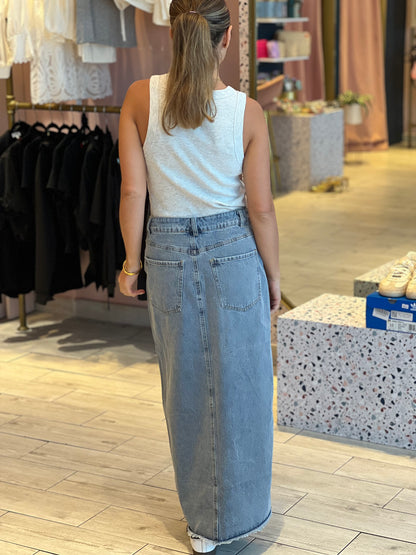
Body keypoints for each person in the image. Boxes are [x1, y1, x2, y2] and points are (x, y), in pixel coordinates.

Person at [118, 0, 281, 551]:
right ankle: (240, 515)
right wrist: (274, 276)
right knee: (246, 385)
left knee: (184, 386)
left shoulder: (141, 98)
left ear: (172, 31)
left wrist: (129, 265)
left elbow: (133, 193)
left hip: (165, 254)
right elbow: (261, 209)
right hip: (235, 251)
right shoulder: (247, 112)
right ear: (227, 37)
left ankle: (201, 524)